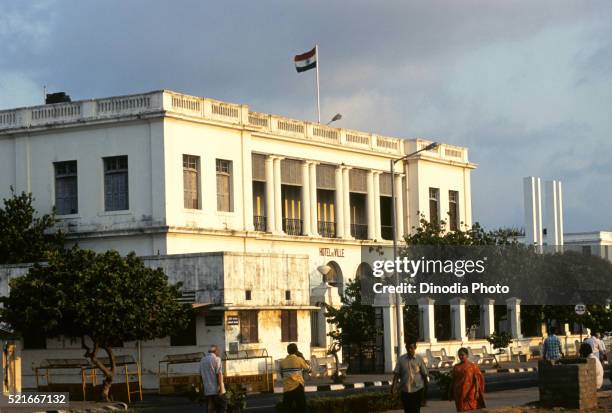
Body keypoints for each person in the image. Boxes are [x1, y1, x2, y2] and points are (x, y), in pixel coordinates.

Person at [391, 342, 429, 413]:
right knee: (407, 410)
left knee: (416, 410)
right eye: (408, 348)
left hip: (417, 390)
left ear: (415, 348)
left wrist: (425, 391)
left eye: (411, 348)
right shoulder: (401, 360)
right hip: (405, 390)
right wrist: (393, 387)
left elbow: (424, 375)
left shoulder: (419, 359)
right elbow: (396, 375)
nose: (410, 350)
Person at [449, 347, 485, 412]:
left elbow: (477, 379)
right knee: (461, 409)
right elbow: (453, 380)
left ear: (467, 355)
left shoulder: (472, 366)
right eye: (459, 355)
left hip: (470, 393)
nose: (461, 357)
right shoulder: (456, 367)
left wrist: (477, 392)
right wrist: (451, 392)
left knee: (471, 409)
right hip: (459, 393)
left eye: (462, 355)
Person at [279, 343, 310, 413]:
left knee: (287, 408)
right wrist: (306, 361)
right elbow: (308, 369)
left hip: (287, 388)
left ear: (287, 351)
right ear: (296, 351)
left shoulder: (282, 362)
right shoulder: (299, 359)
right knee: (302, 407)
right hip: (298, 386)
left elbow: (282, 374)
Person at [199, 345, 227, 413]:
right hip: (216, 389)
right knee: (222, 406)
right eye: (218, 351)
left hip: (207, 390)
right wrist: (220, 388)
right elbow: (219, 374)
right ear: (215, 351)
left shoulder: (202, 360)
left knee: (210, 407)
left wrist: (203, 388)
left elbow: (200, 376)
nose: (219, 352)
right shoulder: (217, 359)